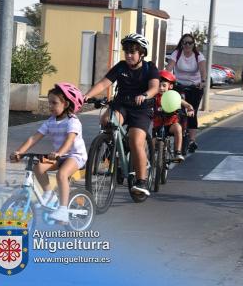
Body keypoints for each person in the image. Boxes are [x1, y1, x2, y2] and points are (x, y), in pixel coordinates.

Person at [85, 33, 159, 196]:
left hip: (141, 108)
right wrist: (88, 95)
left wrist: (145, 95)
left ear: (142, 54)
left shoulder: (149, 68)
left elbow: (154, 87)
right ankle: (114, 154)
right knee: (106, 120)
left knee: (136, 140)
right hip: (122, 105)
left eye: (133, 52)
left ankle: (142, 181)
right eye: (127, 52)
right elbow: (104, 83)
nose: (129, 55)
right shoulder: (121, 66)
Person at [10, 83, 87, 223]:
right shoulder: (50, 122)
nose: (50, 106)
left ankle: (63, 210)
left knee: (62, 174)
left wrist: (59, 153)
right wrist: (19, 152)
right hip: (59, 155)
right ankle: (49, 194)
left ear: (66, 104)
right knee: (38, 167)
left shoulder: (73, 121)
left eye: (54, 103)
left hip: (75, 156)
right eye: (49, 102)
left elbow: (70, 140)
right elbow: (34, 138)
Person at [165, 33, 207, 153]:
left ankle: (192, 140)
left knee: (191, 112)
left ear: (194, 44)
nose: (187, 45)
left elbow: (203, 70)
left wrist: (202, 82)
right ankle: (172, 132)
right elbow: (169, 68)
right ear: (182, 44)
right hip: (179, 85)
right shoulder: (176, 53)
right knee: (174, 110)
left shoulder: (199, 56)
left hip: (195, 86)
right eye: (185, 42)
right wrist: (165, 80)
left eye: (190, 43)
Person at [153, 70, 195, 162]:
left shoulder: (174, 96)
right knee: (151, 143)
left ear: (170, 86)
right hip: (156, 125)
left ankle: (177, 153)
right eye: (158, 85)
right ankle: (150, 158)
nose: (161, 88)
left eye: (164, 85)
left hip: (170, 124)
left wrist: (190, 109)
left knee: (178, 128)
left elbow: (186, 104)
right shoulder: (154, 96)